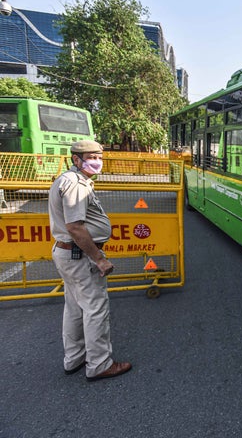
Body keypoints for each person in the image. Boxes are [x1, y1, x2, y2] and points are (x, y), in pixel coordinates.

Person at [48, 140, 132, 381]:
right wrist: (99, 259)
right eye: (92, 156)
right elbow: (75, 227)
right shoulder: (75, 185)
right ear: (76, 159)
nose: (97, 161)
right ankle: (99, 364)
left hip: (68, 254)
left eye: (100, 156)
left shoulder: (68, 179)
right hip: (80, 254)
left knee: (75, 307)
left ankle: (74, 358)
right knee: (95, 308)